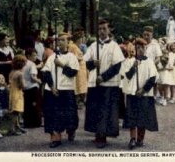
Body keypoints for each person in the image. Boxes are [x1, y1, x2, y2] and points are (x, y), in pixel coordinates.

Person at [84, 19, 125, 148]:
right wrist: (92, 64)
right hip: (94, 83)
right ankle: (97, 133)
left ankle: (103, 136)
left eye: (104, 29)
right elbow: (86, 62)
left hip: (108, 84)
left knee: (106, 110)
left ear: (109, 30)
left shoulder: (114, 46)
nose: (102, 31)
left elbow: (117, 66)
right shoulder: (93, 45)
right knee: (95, 109)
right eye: (100, 29)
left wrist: (103, 77)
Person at [41, 33, 79, 148]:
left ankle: (70, 130)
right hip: (53, 89)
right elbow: (45, 72)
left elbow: (73, 73)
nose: (60, 42)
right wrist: (52, 86)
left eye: (63, 40)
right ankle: (56, 137)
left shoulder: (72, 57)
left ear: (68, 43)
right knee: (53, 114)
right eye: (59, 40)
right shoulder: (52, 57)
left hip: (66, 89)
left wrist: (61, 65)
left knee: (69, 114)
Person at [121, 38, 159, 149]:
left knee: (142, 118)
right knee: (132, 117)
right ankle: (132, 138)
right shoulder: (130, 61)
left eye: (142, 47)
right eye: (137, 48)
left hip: (144, 95)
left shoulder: (149, 62)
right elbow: (126, 76)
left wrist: (143, 90)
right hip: (132, 94)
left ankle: (140, 139)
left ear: (145, 48)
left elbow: (153, 78)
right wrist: (133, 67)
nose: (140, 50)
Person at [22, 48, 42, 128]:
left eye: (36, 55)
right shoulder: (32, 64)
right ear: (28, 56)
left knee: (27, 106)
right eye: (34, 55)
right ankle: (36, 122)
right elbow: (33, 77)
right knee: (35, 105)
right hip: (33, 87)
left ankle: (27, 123)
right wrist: (39, 81)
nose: (35, 57)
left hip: (25, 87)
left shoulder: (23, 63)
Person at [68, 31, 88, 109]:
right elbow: (71, 56)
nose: (81, 40)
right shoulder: (72, 46)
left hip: (82, 69)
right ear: (77, 39)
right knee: (77, 86)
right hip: (78, 69)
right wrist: (80, 58)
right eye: (80, 39)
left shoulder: (77, 46)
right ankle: (77, 102)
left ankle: (80, 102)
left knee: (81, 86)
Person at [9, 54, 27, 135]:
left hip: (12, 92)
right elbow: (23, 85)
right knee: (16, 112)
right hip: (18, 93)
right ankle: (13, 129)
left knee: (15, 111)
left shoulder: (12, 72)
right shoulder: (20, 74)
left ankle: (17, 126)